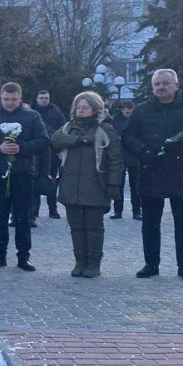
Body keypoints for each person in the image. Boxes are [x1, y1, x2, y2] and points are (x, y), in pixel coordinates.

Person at [121, 69, 183, 281]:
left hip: (182, 174)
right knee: (150, 223)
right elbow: (128, 137)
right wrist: (144, 151)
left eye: (165, 83)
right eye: (157, 84)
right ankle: (151, 263)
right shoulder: (141, 110)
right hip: (151, 172)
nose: (161, 88)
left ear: (176, 85)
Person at [0, 82, 49, 271]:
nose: (10, 103)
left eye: (14, 99)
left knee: (22, 216)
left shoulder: (31, 116)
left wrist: (21, 148)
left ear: (20, 98)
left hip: (23, 172)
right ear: (0, 98)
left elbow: (43, 140)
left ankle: (24, 257)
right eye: (6, 99)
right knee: (0, 215)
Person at [50, 92, 123, 278]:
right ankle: (79, 262)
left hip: (96, 186)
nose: (81, 111)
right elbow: (55, 140)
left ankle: (93, 264)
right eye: (78, 107)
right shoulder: (68, 128)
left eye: (85, 107)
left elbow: (115, 160)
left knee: (94, 229)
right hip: (71, 186)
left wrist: (113, 185)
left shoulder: (105, 129)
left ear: (95, 109)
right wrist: (79, 140)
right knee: (76, 228)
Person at [31, 90, 66, 220]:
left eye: (46, 98)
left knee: (51, 181)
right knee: (34, 181)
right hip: (35, 152)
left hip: (52, 152)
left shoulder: (56, 112)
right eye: (42, 98)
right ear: (37, 99)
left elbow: (63, 129)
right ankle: (34, 210)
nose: (44, 100)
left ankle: (53, 209)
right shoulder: (32, 112)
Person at [110, 99, 141, 220]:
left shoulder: (137, 120)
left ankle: (137, 211)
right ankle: (118, 211)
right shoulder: (115, 121)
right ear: (122, 110)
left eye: (130, 112)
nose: (128, 114)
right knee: (119, 185)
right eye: (127, 112)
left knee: (136, 186)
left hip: (134, 156)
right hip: (120, 156)